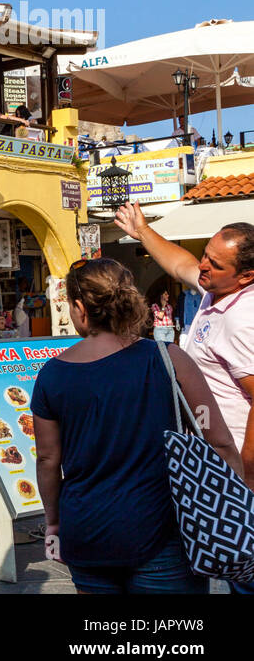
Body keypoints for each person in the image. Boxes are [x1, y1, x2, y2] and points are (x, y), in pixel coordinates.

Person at [31, 259, 241, 594]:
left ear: (81, 308)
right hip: (161, 532)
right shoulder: (169, 359)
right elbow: (219, 442)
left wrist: (54, 522)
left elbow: (47, 460)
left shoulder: (52, 374)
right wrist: (232, 510)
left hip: (86, 530)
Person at [113, 209, 254, 493]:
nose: (203, 265)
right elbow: (181, 264)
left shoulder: (242, 318)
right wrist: (142, 231)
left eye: (214, 263)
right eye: (205, 254)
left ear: (246, 276)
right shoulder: (217, 290)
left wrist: (247, 476)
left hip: (234, 466)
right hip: (212, 456)